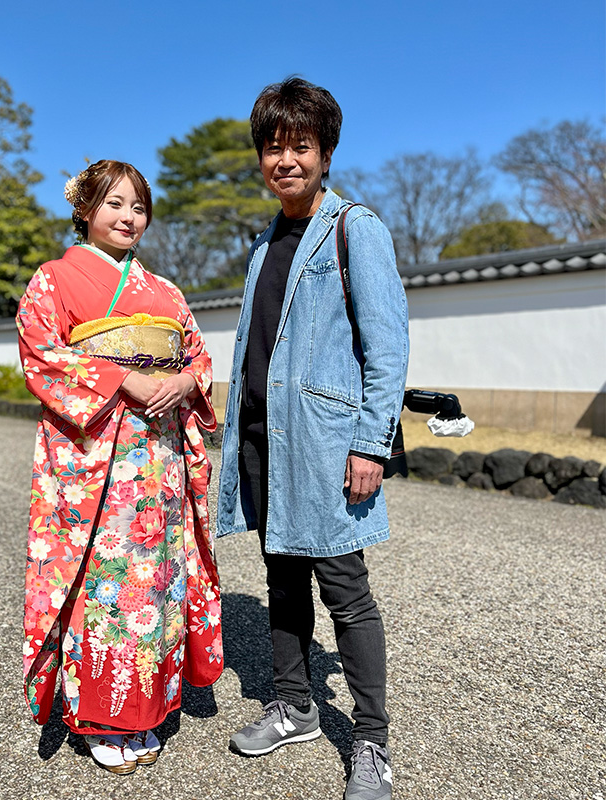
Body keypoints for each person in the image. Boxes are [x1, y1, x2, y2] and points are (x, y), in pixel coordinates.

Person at [216, 78, 409, 800]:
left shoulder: (356, 226)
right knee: (281, 578)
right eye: (274, 147)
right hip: (267, 437)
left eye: (301, 145)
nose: (286, 159)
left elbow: (387, 348)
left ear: (325, 153)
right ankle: (295, 705)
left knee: (346, 591)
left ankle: (371, 742)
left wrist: (371, 443)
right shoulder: (264, 242)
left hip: (329, 443)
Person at [17, 160, 222, 775]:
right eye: (113, 204)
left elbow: (199, 353)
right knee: (100, 576)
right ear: (84, 210)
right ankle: (102, 715)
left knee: (155, 576)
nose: (128, 217)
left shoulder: (167, 292)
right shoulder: (55, 279)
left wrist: (186, 379)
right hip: (96, 453)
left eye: (137, 206)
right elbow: (40, 352)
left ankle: (149, 706)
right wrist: (122, 377)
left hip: (156, 456)